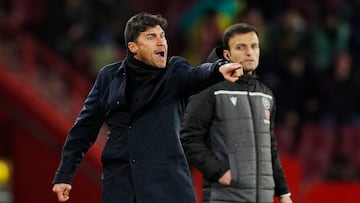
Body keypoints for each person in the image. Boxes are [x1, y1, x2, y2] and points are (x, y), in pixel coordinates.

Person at [51, 12, 243, 203]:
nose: (161, 42)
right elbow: (84, 129)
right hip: (120, 189)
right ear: (133, 47)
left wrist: (217, 69)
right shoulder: (108, 77)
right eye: (151, 37)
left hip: (167, 191)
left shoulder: (174, 71)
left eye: (163, 36)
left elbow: (195, 75)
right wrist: (64, 174)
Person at [180, 23, 293, 203]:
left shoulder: (266, 94)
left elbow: (269, 148)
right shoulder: (210, 90)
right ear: (227, 54)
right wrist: (218, 172)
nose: (250, 52)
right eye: (241, 47)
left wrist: (284, 192)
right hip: (224, 196)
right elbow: (188, 137)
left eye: (254, 46)